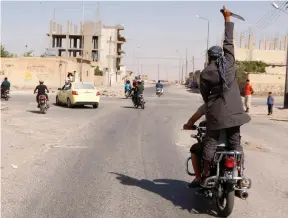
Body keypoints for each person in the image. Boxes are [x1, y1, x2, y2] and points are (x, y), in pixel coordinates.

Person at [199, 6, 251, 187]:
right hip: (235, 114)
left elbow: (205, 96)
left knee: (210, 144)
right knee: (235, 144)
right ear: (220, 55)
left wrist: (211, 107)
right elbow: (229, 41)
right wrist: (227, 19)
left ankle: (205, 174)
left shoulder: (205, 73)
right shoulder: (229, 63)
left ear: (209, 58)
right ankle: (242, 176)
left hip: (216, 116)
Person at [183, 103, 207, 188]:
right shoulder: (232, 105)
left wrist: (188, 125)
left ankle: (198, 178)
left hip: (212, 142)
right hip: (230, 143)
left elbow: (192, 120)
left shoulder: (208, 105)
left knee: (194, 149)